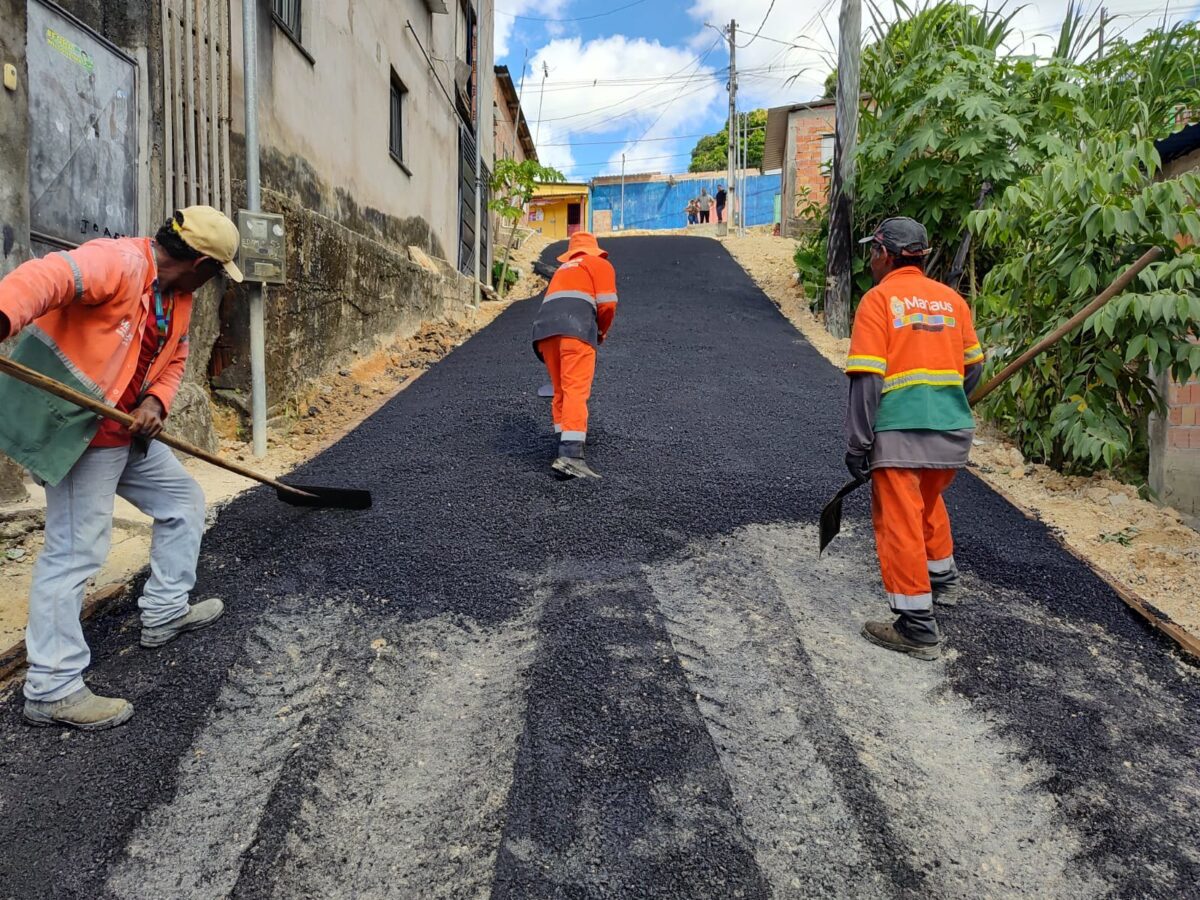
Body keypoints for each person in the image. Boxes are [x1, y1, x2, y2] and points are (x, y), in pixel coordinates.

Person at [0, 206, 244, 729]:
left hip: (128, 434)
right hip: (82, 432)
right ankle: (51, 686)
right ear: (201, 262)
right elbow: (47, 277)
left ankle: (164, 612)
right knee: (75, 553)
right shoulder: (119, 262)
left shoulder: (178, 299)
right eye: (218, 271)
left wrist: (155, 403)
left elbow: (174, 358)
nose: (216, 281)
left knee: (183, 501)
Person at [843, 216, 984, 661]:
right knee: (926, 502)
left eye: (872, 251)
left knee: (899, 520)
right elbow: (974, 368)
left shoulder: (878, 300)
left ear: (885, 254)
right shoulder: (951, 301)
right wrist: (948, 404)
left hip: (900, 435)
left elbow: (867, 379)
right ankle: (943, 580)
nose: (870, 259)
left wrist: (858, 443)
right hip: (951, 434)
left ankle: (916, 626)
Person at [530, 231, 618, 479]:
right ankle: (571, 456)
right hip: (575, 331)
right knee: (575, 389)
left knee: (560, 390)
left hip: (544, 333)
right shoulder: (599, 264)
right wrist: (600, 331)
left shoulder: (563, 270)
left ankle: (562, 445)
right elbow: (608, 304)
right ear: (595, 249)